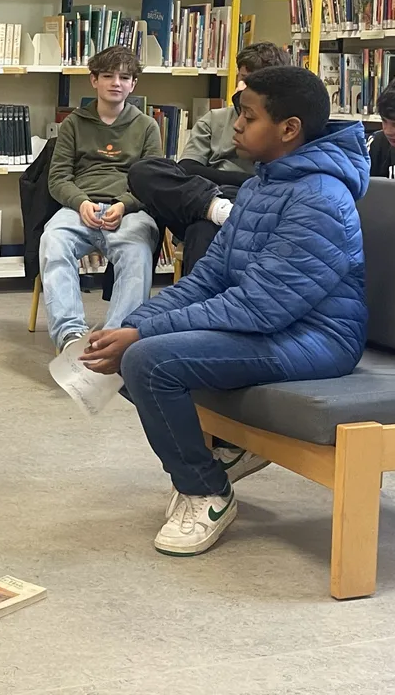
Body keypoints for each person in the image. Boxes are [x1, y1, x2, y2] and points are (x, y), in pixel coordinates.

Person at [80, 66, 368, 557]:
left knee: (148, 361)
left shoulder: (319, 198)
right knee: (126, 339)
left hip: (318, 338)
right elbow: (210, 277)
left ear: (289, 129)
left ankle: (207, 491)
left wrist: (143, 336)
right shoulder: (261, 186)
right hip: (276, 326)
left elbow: (261, 305)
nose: (236, 125)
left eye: (248, 117)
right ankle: (229, 453)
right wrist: (135, 324)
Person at [128, 42, 294, 275]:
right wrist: (215, 195)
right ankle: (216, 209)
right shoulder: (215, 119)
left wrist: (238, 183)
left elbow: (276, 178)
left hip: (252, 203)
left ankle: (215, 215)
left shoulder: (282, 124)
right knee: (143, 172)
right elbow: (188, 167)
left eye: (255, 81)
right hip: (205, 195)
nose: (244, 86)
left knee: (202, 229)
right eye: (243, 78)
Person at [40, 45, 162, 358]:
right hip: (80, 208)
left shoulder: (147, 127)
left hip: (128, 211)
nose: (116, 83)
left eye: (124, 77)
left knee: (137, 252)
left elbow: (155, 182)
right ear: (94, 80)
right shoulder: (74, 123)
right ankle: (70, 336)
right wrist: (80, 203)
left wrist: (124, 204)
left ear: (133, 84)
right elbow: (58, 179)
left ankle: (115, 341)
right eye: (108, 76)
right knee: (53, 241)